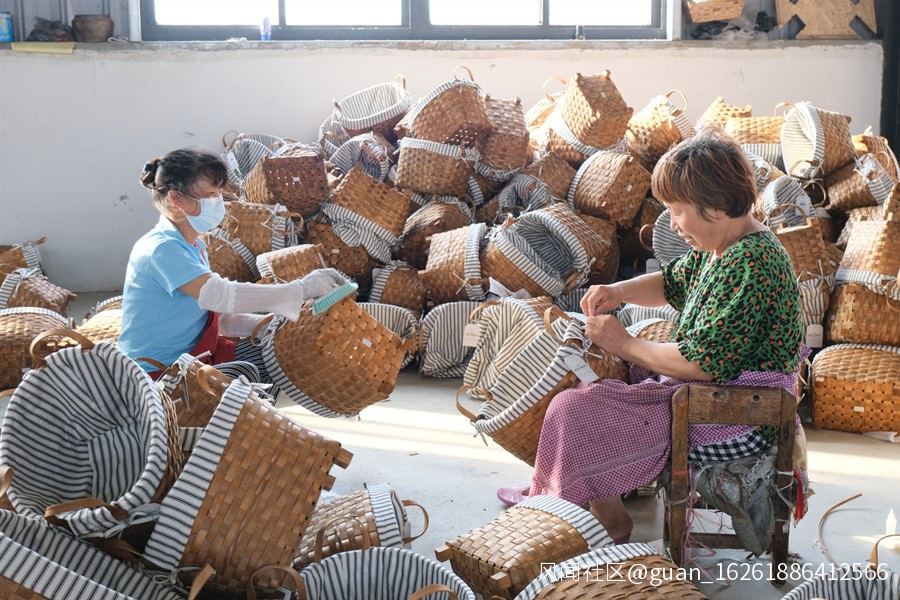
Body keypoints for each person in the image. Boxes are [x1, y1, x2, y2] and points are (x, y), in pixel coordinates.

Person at [527, 127, 804, 544]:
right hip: (713, 395)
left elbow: (701, 364)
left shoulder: (752, 263)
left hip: (735, 414)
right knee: (594, 386)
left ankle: (604, 519)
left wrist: (624, 344)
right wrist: (618, 291)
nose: (672, 224)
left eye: (677, 211)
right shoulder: (723, 247)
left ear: (717, 207)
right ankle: (596, 503)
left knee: (573, 409)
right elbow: (670, 282)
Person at [118, 147, 347, 383]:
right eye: (209, 195)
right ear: (176, 199)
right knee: (281, 366)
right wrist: (300, 290)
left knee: (286, 349)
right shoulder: (162, 249)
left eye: (219, 193)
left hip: (194, 357)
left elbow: (221, 319)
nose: (218, 202)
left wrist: (272, 326)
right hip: (159, 375)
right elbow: (220, 295)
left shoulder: (193, 246)